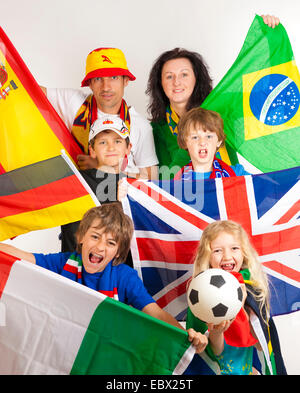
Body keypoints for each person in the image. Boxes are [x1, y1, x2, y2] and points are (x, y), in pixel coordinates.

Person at [0, 203, 208, 354]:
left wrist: (187, 338)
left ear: (118, 252)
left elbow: (156, 315)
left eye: (110, 243)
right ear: (81, 238)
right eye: (95, 236)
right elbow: (22, 257)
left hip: (103, 352)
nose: (100, 247)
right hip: (62, 349)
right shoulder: (63, 262)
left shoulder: (124, 277)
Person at [146, 15, 280, 178]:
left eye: (184, 75)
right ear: (160, 83)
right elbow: (164, 179)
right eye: (169, 76)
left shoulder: (221, 109)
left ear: (197, 78)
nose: (177, 82)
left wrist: (271, 39)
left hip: (232, 190)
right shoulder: (158, 128)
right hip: (191, 196)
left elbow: (263, 95)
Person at [41, 47, 158, 179]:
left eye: (113, 77)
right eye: (98, 79)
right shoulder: (74, 103)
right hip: (78, 194)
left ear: (125, 81)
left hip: (122, 196)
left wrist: (101, 168)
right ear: (90, 84)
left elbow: (152, 178)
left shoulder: (140, 125)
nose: (106, 87)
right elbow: (29, 90)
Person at [186, 220, 271, 375]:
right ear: (207, 256)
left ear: (244, 253)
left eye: (234, 248)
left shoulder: (253, 290)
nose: (227, 256)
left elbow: (261, 345)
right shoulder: (201, 293)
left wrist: (243, 303)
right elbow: (215, 353)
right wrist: (217, 331)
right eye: (217, 250)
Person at [60, 114, 132, 253]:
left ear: (128, 148)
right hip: (74, 266)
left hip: (120, 269)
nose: (111, 148)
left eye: (117, 141)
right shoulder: (75, 182)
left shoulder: (136, 187)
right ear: (92, 150)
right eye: (103, 142)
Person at [174, 107, 249, 179]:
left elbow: (259, 187)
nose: (202, 142)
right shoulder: (177, 183)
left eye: (209, 136)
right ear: (185, 142)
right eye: (195, 137)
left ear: (219, 141)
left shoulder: (237, 174)